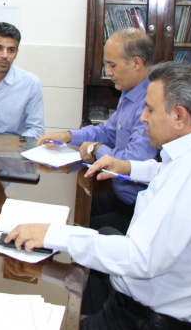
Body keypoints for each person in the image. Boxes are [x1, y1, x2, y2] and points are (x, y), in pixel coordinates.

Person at [7, 62, 191, 329]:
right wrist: (127, 167)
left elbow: (139, 258)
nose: (143, 118)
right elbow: (165, 171)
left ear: (180, 117)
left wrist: (53, 234)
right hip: (150, 306)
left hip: (147, 320)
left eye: (150, 110)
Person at [38, 28, 157, 234]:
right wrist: (67, 136)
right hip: (120, 195)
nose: (108, 72)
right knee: (68, 213)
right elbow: (107, 132)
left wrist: (95, 149)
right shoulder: (129, 93)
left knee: (78, 231)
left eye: (113, 65)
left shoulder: (150, 102)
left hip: (139, 209)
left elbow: (131, 162)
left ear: (136, 63)